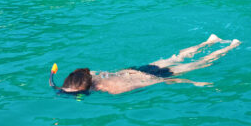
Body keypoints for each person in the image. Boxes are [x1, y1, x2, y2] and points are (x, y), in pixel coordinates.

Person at [51, 35, 240, 95]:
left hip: (153, 75)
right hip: (138, 69)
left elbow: (155, 82)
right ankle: (210, 41)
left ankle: (231, 46)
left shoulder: (114, 89)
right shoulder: (91, 73)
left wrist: (190, 82)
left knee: (201, 63)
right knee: (175, 56)